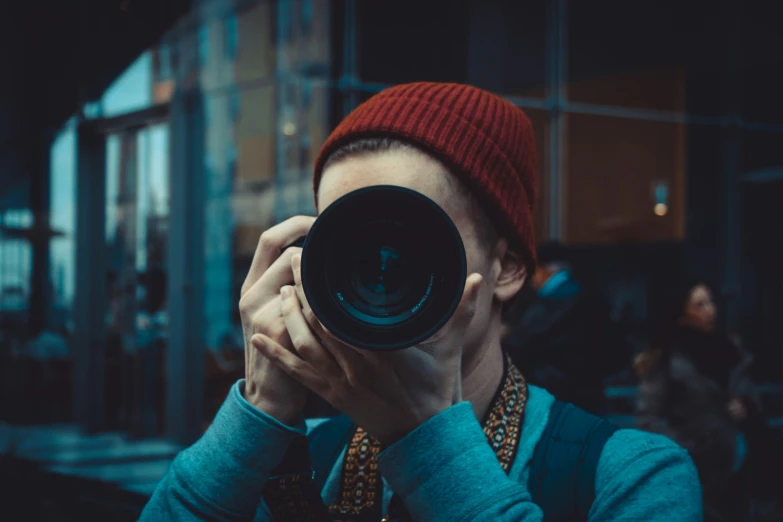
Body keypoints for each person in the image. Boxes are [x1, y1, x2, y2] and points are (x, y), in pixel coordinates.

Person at [141, 83, 701, 521]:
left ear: (505, 268)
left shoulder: (631, 476)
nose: (380, 267)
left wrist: (426, 445)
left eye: (408, 241)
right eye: (350, 241)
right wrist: (259, 412)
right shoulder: (289, 459)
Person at [635, 280, 780, 521]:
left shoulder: (730, 349)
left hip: (741, 465)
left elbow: (750, 392)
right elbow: (647, 419)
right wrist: (688, 449)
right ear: (682, 313)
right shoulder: (668, 358)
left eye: (711, 302)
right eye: (699, 305)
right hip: (700, 470)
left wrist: (747, 406)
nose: (710, 310)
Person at [502, 244, 629, 415]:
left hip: (557, 394)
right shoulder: (586, 296)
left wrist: (507, 335)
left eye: (534, 271)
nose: (531, 279)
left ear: (545, 270)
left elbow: (522, 344)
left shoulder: (555, 302)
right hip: (587, 393)